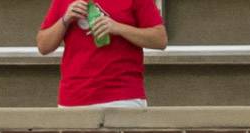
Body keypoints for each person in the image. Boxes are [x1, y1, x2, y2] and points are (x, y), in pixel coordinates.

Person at [37, 0, 167, 108]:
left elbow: (160, 39)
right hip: (73, 98)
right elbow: (43, 46)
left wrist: (119, 28)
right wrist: (65, 19)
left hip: (122, 97)